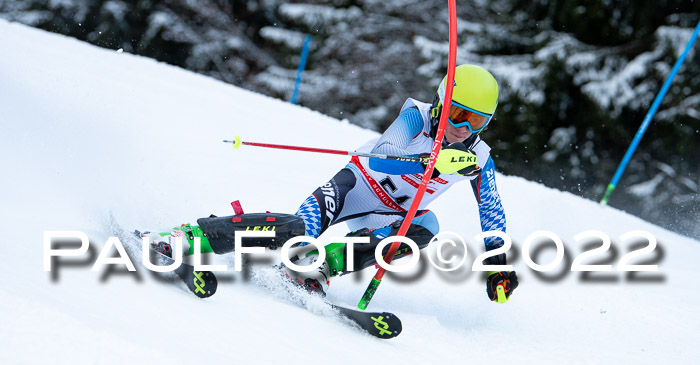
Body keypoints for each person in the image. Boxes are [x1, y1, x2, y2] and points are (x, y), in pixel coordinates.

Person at [147, 64, 518, 303]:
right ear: (440, 102)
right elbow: (382, 155)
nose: (462, 129)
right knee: (295, 230)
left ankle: (319, 267)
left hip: (392, 215)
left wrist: (497, 264)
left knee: (427, 228)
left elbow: (492, 213)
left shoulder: (479, 158)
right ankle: (187, 237)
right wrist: (432, 161)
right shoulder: (415, 117)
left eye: (477, 122)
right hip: (354, 188)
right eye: (458, 114)